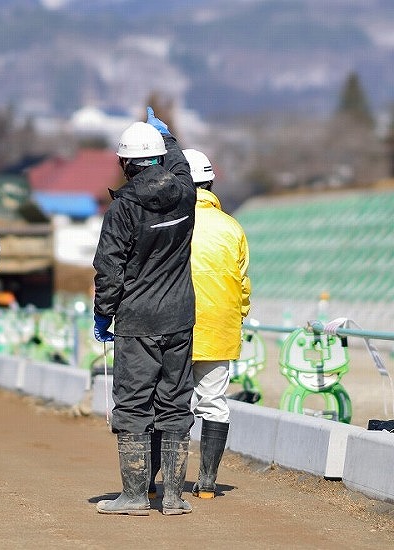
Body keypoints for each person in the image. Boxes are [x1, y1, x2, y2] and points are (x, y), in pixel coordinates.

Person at [92, 107, 196, 516]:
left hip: (137, 321)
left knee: (134, 405)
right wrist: (167, 137)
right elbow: (181, 166)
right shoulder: (186, 194)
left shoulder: (123, 210)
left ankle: (135, 496)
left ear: (124, 163)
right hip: (180, 316)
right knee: (175, 402)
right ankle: (174, 497)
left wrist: (104, 314)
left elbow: (109, 268)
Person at [171, 148, 251, 498]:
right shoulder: (232, 227)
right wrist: (235, 317)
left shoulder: (170, 222)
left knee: (170, 403)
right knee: (214, 401)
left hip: (173, 325)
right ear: (211, 183)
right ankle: (206, 483)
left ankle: (163, 483)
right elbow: (243, 285)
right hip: (219, 328)